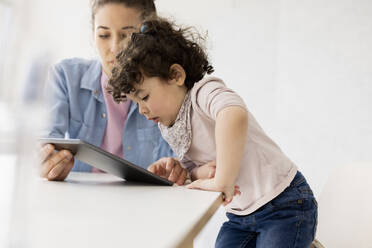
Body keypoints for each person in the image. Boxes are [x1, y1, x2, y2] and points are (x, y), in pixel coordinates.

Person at [108, 17, 318, 247]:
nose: (142, 110)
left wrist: (222, 181)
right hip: (241, 216)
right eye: (136, 103)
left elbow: (233, 115)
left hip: (284, 203)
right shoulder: (169, 124)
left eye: (145, 97)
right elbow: (199, 169)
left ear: (176, 75)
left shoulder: (203, 93)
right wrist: (189, 171)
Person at [39, 0, 189, 185]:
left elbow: (185, 161)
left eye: (127, 35)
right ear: (92, 33)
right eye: (103, 35)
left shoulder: (171, 85)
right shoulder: (65, 77)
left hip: (144, 202)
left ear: (149, 34)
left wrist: (179, 169)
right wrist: (47, 162)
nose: (115, 48)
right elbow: (44, 141)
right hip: (78, 199)